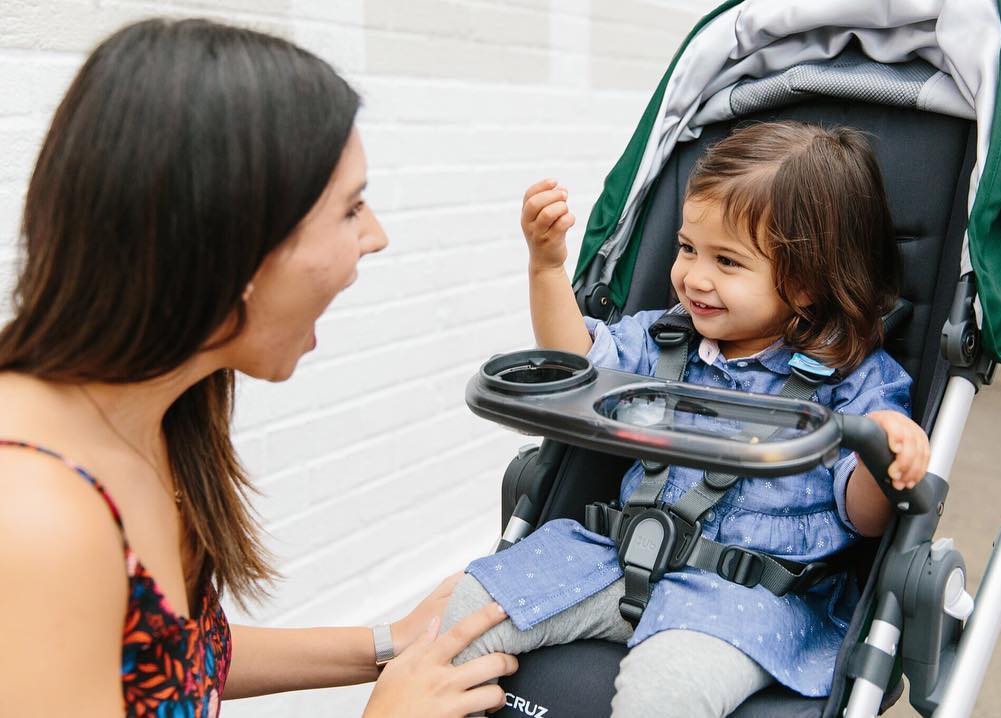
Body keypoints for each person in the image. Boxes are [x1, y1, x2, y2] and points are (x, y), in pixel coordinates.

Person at [0, 18, 517, 718]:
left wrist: (390, 642)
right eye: (350, 209)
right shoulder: (34, 519)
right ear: (233, 242)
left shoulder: (155, 417)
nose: (375, 236)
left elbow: (172, 661)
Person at [442, 121, 932, 716]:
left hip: (747, 597)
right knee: (469, 611)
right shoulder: (665, 339)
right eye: (687, 248)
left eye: (726, 261)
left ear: (805, 284)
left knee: (666, 690)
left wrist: (883, 455)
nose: (694, 277)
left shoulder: (854, 381)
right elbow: (577, 373)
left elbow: (867, 518)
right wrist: (546, 269)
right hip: (618, 554)